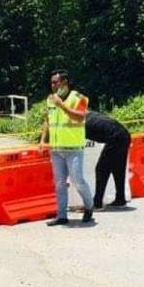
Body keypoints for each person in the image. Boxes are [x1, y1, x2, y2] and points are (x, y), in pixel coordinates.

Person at [40, 70, 95, 225]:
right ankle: (62, 216)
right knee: (59, 183)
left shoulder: (80, 98)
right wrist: (43, 140)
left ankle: (89, 207)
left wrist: (61, 105)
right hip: (56, 149)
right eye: (51, 82)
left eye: (55, 82)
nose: (53, 85)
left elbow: (80, 117)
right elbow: (47, 120)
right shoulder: (50, 99)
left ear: (65, 82)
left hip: (73, 148)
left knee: (78, 180)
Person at [86, 111, 131, 209]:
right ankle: (120, 199)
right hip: (124, 134)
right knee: (118, 169)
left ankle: (97, 203)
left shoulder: (81, 123)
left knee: (101, 169)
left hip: (115, 138)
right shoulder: (90, 116)